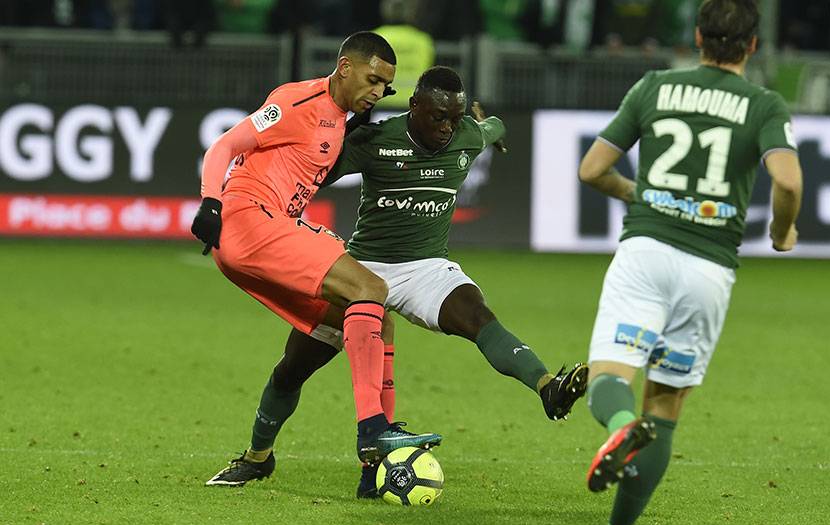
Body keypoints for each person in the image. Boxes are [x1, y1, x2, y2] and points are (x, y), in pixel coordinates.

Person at [205, 65, 589, 497]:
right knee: (293, 369)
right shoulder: (375, 141)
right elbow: (316, 167)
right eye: (437, 117)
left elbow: (488, 126)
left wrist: (490, 130)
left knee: (478, 316)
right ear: (414, 107)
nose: (447, 128)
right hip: (362, 270)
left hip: (425, 268)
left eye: (455, 118)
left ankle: (547, 387)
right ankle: (258, 457)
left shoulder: (466, 134)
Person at [576, 1, 802, 525]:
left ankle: (617, 428)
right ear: (752, 45)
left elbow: (592, 169)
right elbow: (789, 183)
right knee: (665, 407)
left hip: (646, 251)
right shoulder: (765, 104)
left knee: (609, 379)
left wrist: (643, 195)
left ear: (696, 37)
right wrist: (780, 232)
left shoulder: (655, 86)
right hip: (709, 269)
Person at [192, 31, 442, 486]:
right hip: (251, 221)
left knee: (334, 337)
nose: (377, 92)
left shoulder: (340, 119)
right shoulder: (296, 102)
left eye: (385, 87)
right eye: (371, 80)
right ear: (345, 67)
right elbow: (223, 146)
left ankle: (263, 456)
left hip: (261, 237)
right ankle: (374, 432)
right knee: (371, 289)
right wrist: (211, 202)